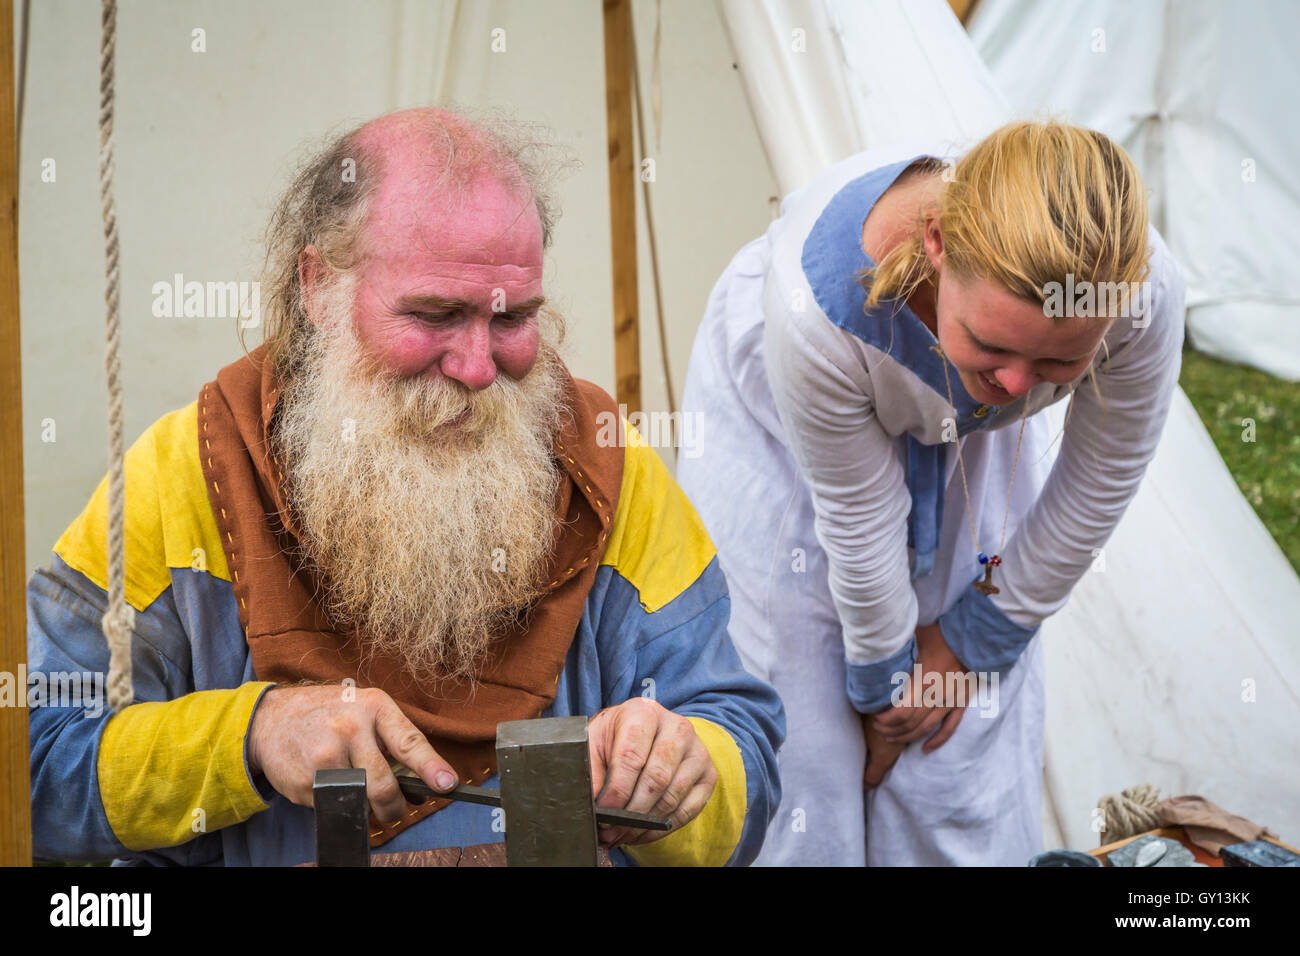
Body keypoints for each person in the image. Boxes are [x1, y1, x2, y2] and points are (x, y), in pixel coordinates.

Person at [26, 107, 783, 867]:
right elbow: (29, 768)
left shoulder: (611, 464)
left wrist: (680, 769)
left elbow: (743, 753)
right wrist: (251, 736)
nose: (479, 367)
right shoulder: (184, 473)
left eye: (512, 317)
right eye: (434, 314)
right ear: (319, 287)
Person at [676, 121, 1185, 866]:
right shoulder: (809, 311)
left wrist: (975, 637)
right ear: (939, 244)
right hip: (783, 431)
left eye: (1057, 362)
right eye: (996, 346)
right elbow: (858, 519)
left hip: (959, 441)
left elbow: (1101, 473)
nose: (1016, 386)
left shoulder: (1136, 292)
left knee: (954, 748)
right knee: (802, 737)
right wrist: (884, 693)